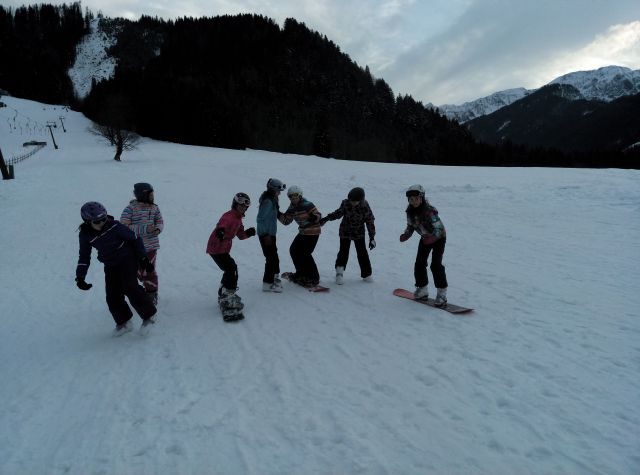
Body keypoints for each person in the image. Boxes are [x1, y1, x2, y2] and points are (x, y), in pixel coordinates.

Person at [75, 201, 157, 335]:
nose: (102, 222)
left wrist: (143, 259)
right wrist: (80, 277)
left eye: (104, 218)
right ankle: (123, 322)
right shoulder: (85, 235)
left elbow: (136, 239)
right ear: (87, 222)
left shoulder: (115, 226)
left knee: (130, 287)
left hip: (127, 259)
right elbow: (84, 256)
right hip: (110, 264)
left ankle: (149, 316)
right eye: (97, 221)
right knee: (112, 294)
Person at [206, 192, 256, 319]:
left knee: (230, 269)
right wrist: (221, 231)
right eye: (240, 206)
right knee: (231, 268)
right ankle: (228, 295)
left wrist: (248, 233)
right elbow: (222, 224)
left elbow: (240, 235)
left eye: (245, 207)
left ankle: (224, 292)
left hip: (222, 249)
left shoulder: (238, 219)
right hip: (216, 247)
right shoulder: (228, 216)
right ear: (235, 204)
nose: (243, 208)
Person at [399, 184, 448, 306]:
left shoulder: (429, 211)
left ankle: (442, 294)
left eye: (416, 198)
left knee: (435, 265)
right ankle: (422, 289)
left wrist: (432, 238)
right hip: (425, 238)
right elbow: (410, 226)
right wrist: (406, 234)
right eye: (410, 199)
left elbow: (439, 229)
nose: (413, 201)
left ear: (422, 198)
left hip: (438, 239)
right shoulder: (410, 211)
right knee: (419, 263)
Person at [319, 187, 376, 284]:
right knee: (343, 251)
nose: (352, 203)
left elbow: (370, 221)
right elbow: (338, 213)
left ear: (360, 200)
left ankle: (366, 274)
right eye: (351, 201)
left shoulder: (365, 206)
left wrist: (372, 237)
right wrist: (326, 218)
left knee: (362, 253)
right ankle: (339, 273)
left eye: (355, 201)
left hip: (359, 233)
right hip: (345, 231)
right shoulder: (346, 203)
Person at [120, 182, 164, 305]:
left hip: (151, 247)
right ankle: (135, 292)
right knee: (134, 272)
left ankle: (151, 293)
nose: (152, 196)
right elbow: (124, 227)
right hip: (133, 248)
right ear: (143, 195)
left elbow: (160, 221)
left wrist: (158, 229)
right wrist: (144, 228)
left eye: (153, 194)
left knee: (149, 271)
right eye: (150, 194)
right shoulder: (130, 209)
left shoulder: (154, 208)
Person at [280, 185, 322, 286]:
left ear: (300, 195)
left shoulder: (307, 204)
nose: (293, 199)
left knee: (305, 254)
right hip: (303, 232)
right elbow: (286, 221)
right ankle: (301, 274)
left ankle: (314, 278)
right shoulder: (292, 208)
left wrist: (314, 217)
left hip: (313, 231)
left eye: (295, 196)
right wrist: (277, 213)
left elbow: (318, 214)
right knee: (294, 250)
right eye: (291, 197)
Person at [257, 178, 286, 292]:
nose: (280, 193)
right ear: (273, 189)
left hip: (270, 233)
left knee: (274, 256)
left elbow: (276, 212)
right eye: (278, 190)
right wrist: (265, 235)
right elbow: (260, 219)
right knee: (270, 258)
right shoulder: (267, 201)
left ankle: (274, 277)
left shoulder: (273, 199)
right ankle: (267, 283)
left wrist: (283, 217)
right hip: (266, 234)